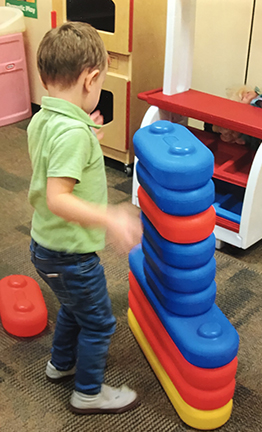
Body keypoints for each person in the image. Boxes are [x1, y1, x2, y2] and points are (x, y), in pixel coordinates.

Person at [28, 21, 142, 415]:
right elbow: (59, 197)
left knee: (75, 311)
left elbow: (53, 158)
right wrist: (109, 216)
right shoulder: (71, 134)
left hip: (46, 247)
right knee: (98, 323)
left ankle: (61, 365)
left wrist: (84, 132)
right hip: (71, 255)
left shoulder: (45, 119)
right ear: (91, 79)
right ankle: (88, 393)